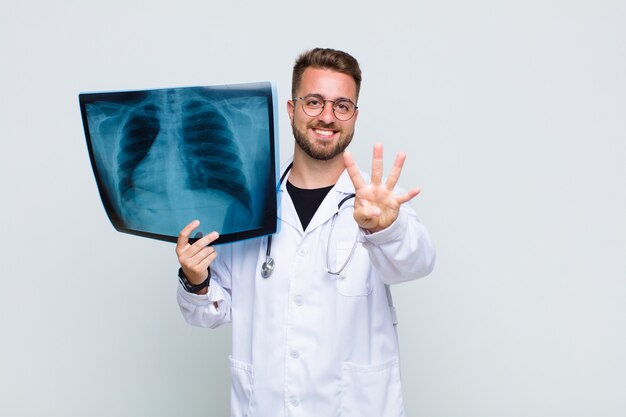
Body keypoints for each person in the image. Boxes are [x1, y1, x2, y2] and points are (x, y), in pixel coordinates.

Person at [175, 48, 436, 417]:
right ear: (291, 108)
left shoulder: (376, 205)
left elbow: (416, 261)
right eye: (314, 102)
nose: (327, 117)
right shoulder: (248, 205)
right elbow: (211, 312)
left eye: (342, 106)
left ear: (355, 117)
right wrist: (196, 279)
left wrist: (386, 229)